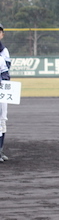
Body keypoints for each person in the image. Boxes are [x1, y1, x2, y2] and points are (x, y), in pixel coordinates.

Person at [0, 23, 11, 162]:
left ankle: (0, 150)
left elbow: (6, 73)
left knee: (2, 120)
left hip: (1, 91)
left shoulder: (3, 54)